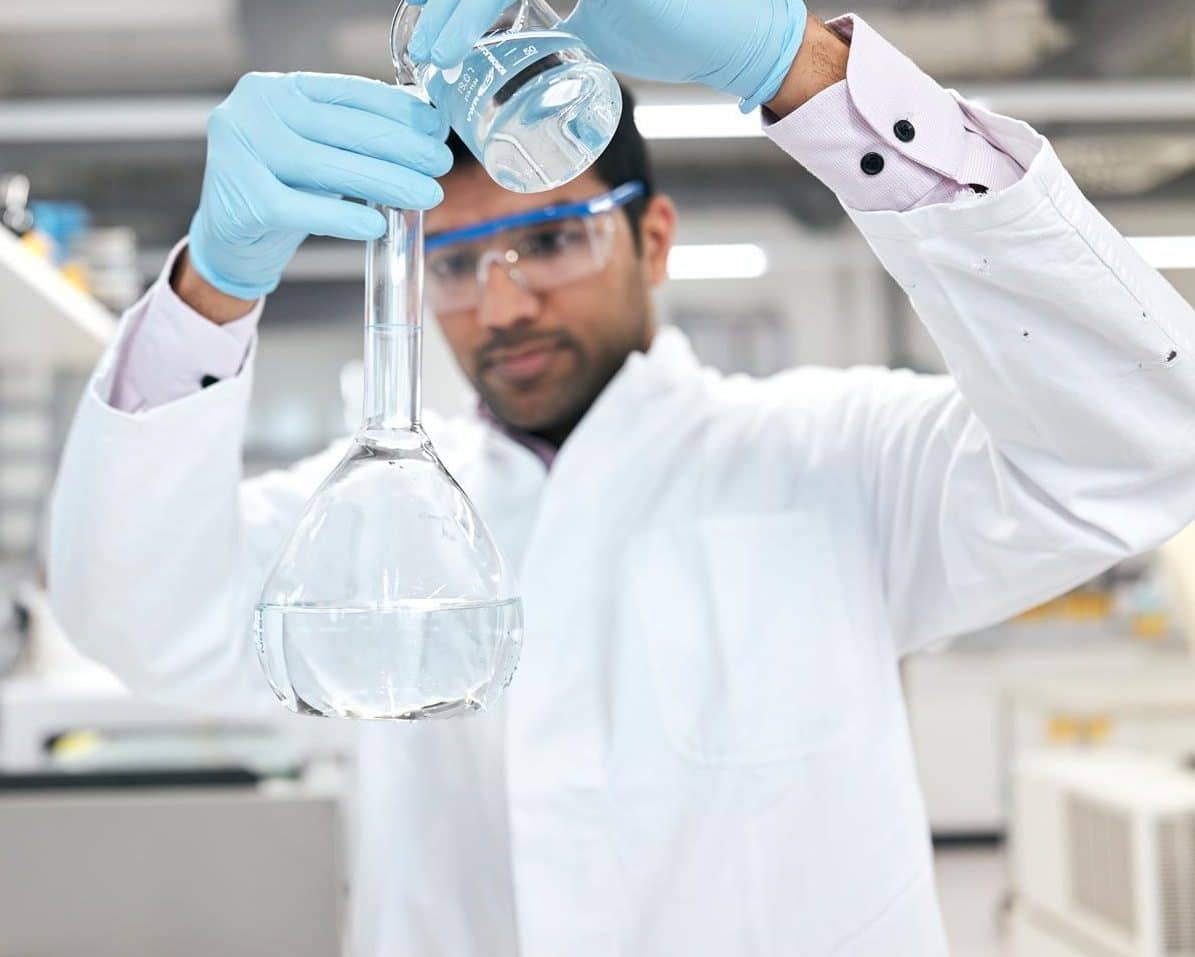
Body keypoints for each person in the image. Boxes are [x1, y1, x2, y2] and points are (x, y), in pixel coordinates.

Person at [48, 1, 1195, 953]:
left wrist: (797, 67)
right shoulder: (370, 515)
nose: (501, 304)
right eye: (450, 262)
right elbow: (140, 616)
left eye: (550, 241)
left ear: (652, 239)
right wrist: (211, 287)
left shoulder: (834, 452)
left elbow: (1139, 442)